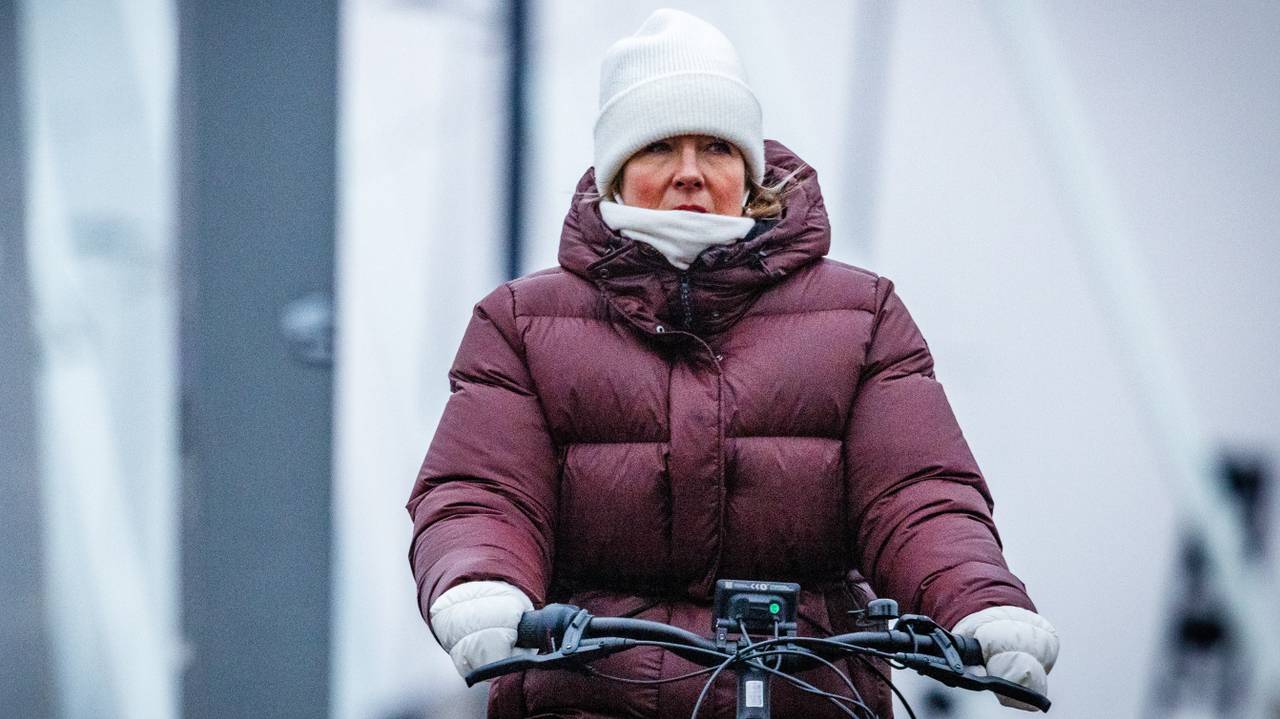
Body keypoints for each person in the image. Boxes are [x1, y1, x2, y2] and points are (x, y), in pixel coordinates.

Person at [406, 9, 1058, 718]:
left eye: (716, 146)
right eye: (659, 147)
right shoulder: (519, 324)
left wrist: (980, 602)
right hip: (592, 697)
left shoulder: (863, 317)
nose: (689, 172)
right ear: (616, 171)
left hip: (807, 694)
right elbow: (482, 491)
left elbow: (916, 495)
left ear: (747, 168)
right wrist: (481, 587)